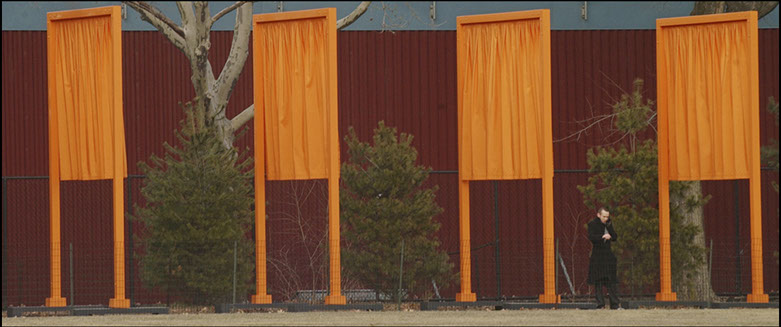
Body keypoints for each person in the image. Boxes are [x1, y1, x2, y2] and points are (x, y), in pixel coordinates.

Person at [587, 207, 622, 309]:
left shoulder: (609, 224)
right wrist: (603, 237)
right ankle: (600, 305)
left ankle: (614, 305)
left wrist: (610, 235)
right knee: (598, 281)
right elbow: (592, 237)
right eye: (604, 216)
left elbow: (615, 236)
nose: (606, 218)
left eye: (607, 216)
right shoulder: (592, 224)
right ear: (598, 215)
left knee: (611, 281)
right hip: (597, 257)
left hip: (608, 256)